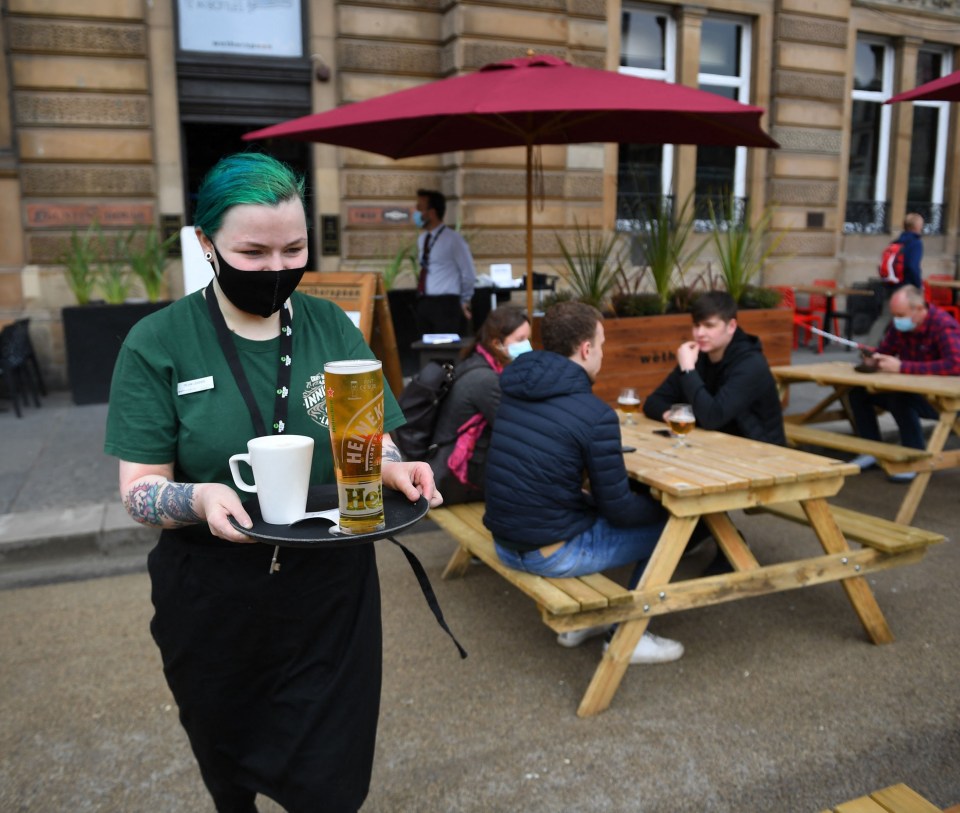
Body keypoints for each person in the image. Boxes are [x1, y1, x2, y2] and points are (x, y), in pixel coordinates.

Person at [104, 152, 442, 813]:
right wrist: (196, 497)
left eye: (294, 248)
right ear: (207, 245)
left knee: (331, 779)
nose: (277, 268)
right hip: (213, 598)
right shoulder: (157, 342)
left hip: (330, 592)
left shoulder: (330, 325)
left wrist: (396, 464)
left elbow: (371, 437)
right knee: (227, 762)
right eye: (253, 252)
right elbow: (139, 488)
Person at [483, 301, 684, 665]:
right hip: (549, 554)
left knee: (595, 512)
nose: (603, 353)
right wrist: (662, 506)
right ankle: (627, 636)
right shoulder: (595, 415)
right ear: (586, 349)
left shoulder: (514, 387)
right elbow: (620, 511)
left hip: (505, 542)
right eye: (602, 344)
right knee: (673, 528)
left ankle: (584, 620)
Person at [643, 290, 786, 446]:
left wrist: (688, 371)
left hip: (762, 453)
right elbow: (653, 402)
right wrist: (671, 415)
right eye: (696, 325)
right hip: (715, 446)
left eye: (709, 326)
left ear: (731, 326)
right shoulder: (698, 357)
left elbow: (712, 418)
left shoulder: (751, 364)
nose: (700, 333)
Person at [849, 284, 960, 482]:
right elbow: (885, 350)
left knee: (900, 398)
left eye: (900, 314)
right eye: (894, 315)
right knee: (859, 392)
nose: (897, 320)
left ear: (919, 309)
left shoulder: (943, 325)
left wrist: (902, 367)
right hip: (914, 391)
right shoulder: (900, 326)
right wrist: (874, 359)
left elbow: (955, 365)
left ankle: (913, 457)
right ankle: (870, 449)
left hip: (944, 398)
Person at [427, 305, 531, 504]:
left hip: (444, 466)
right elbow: (516, 427)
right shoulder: (486, 379)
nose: (527, 345)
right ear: (497, 343)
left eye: (528, 338)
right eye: (520, 340)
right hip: (452, 477)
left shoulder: (475, 361)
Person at [414, 188, 476, 335]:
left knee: (444, 350)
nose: (416, 214)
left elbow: (469, 274)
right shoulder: (423, 239)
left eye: (419, 209)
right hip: (425, 301)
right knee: (424, 349)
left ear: (432, 212)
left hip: (446, 304)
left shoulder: (454, 240)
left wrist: (464, 300)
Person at [866, 213, 925, 346]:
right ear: (916, 226)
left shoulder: (896, 242)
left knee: (885, 317)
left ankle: (868, 348)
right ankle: (910, 350)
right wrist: (918, 285)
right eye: (921, 224)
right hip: (907, 287)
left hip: (891, 285)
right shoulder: (915, 243)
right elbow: (912, 266)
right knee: (912, 318)